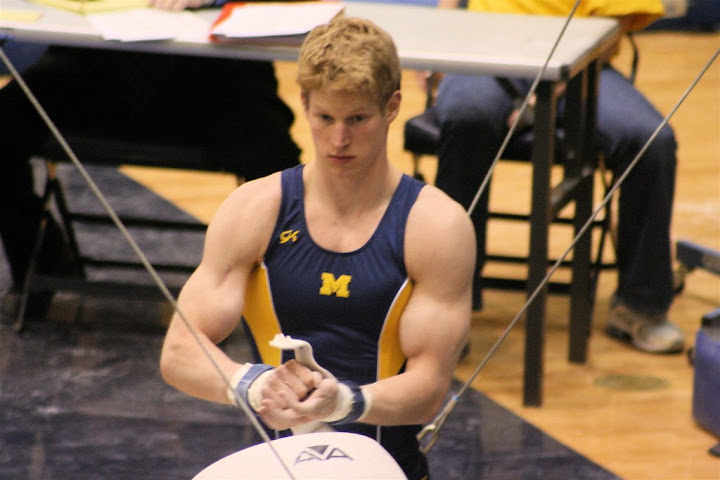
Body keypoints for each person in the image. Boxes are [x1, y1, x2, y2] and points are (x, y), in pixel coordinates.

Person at [160, 16, 475, 479]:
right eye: (324, 118)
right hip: (284, 467)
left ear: (392, 107)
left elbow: (429, 389)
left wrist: (345, 401)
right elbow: (179, 353)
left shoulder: (435, 226)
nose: (338, 139)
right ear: (304, 102)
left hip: (389, 468)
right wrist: (257, 384)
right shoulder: (255, 209)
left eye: (357, 119)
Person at [0, 0, 301, 311]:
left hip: (213, 73)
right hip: (93, 66)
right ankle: (41, 256)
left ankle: (285, 295)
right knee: (5, 124)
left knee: (274, 158)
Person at [429, 0, 684, 354]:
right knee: (465, 120)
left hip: (579, 64)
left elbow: (617, 26)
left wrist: (557, 82)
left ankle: (640, 305)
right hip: (483, 54)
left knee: (652, 142)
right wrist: (438, 54)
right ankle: (446, 307)